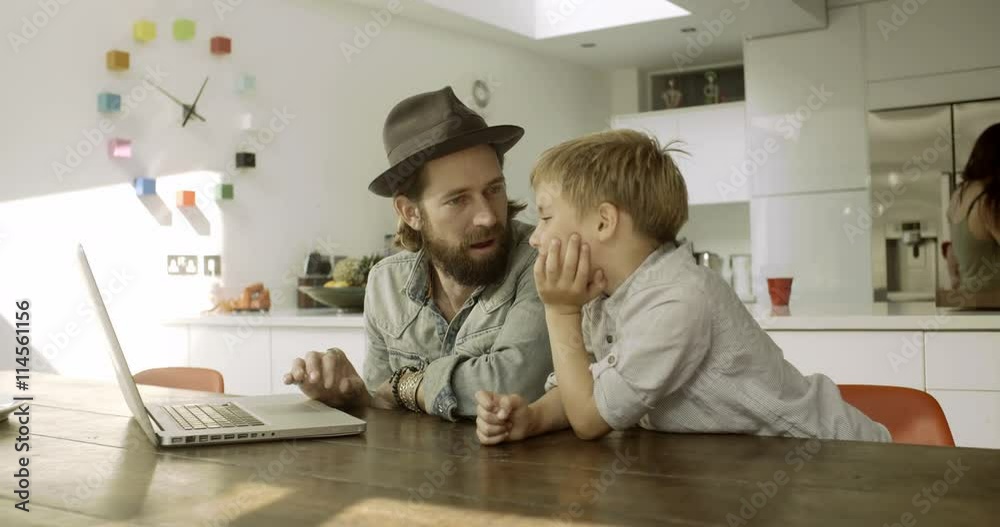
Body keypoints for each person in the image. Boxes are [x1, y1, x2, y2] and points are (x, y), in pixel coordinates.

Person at [474, 129, 892, 444]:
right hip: (747, 468)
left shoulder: (678, 300)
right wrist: (533, 418)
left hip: (832, 457)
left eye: (546, 217)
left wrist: (559, 310)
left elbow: (590, 419)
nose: (535, 238)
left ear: (604, 222)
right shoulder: (604, 298)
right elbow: (585, 388)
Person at [282, 86, 551, 420]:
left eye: (493, 189)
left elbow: (516, 383)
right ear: (410, 213)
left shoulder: (539, 258)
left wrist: (406, 386)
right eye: (458, 200)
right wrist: (352, 398)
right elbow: (383, 404)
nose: (487, 216)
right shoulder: (386, 284)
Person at [946, 123, 1000, 298]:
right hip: (994, 302)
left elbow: (952, 253)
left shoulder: (958, 195)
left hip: (970, 301)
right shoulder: (989, 201)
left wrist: (956, 279)